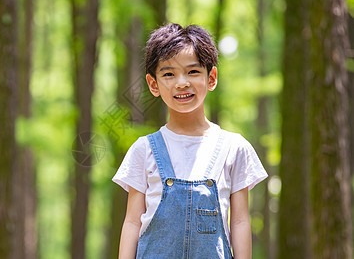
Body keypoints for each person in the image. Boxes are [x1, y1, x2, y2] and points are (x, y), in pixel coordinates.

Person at [112, 23, 268, 258]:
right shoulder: (144, 150)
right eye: (168, 74)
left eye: (193, 71)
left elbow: (239, 221)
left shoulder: (234, 149)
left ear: (211, 77)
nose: (181, 82)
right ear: (153, 84)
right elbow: (132, 222)